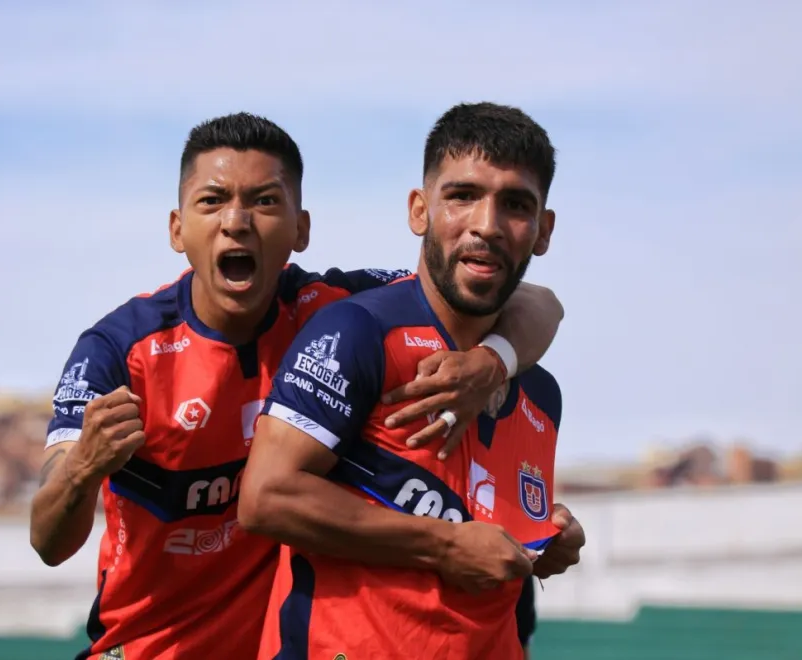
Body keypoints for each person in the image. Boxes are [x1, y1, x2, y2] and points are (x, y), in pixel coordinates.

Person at [29, 112, 566, 660]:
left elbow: (532, 299)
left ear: (301, 228)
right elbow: (47, 540)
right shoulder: (119, 351)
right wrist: (80, 469)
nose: (236, 221)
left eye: (264, 201)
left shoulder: (331, 311)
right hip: (148, 648)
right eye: (212, 201)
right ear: (176, 228)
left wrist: (492, 363)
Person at [238, 102, 586, 660]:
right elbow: (265, 498)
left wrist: (541, 543)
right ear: (419, 210)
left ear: (543, 231)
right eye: (462, 195)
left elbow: (485, 539)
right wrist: (445, 546)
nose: (486, 225)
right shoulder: (357, 330)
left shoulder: (541, 394)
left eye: (515, 205)